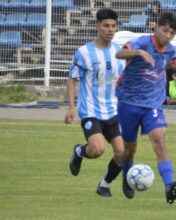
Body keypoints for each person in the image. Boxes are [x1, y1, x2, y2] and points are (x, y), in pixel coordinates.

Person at [115, 11, 176, 204]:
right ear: (156, 27)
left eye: (172, 33)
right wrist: (138, 53)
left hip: (152, 103)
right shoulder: (143, 42)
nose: (168, 35)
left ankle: (169, 186)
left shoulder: (169, 49)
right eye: (165, 30)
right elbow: (119, 53)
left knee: (159, 140)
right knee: (129, 150)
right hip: (128, 102)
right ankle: (127, 176)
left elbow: (173, 61)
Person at [65, 9, 125, 198]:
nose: (110, 30)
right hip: (90, 110)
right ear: (97, 26)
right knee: (98, 149)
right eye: (106, 26)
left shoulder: (120, 51)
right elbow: (71, 79)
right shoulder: (84, 52)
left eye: (113, 26)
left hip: (114, 110)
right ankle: (79, 151)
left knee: (123, 153)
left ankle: (104, 185)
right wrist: (72, 107)